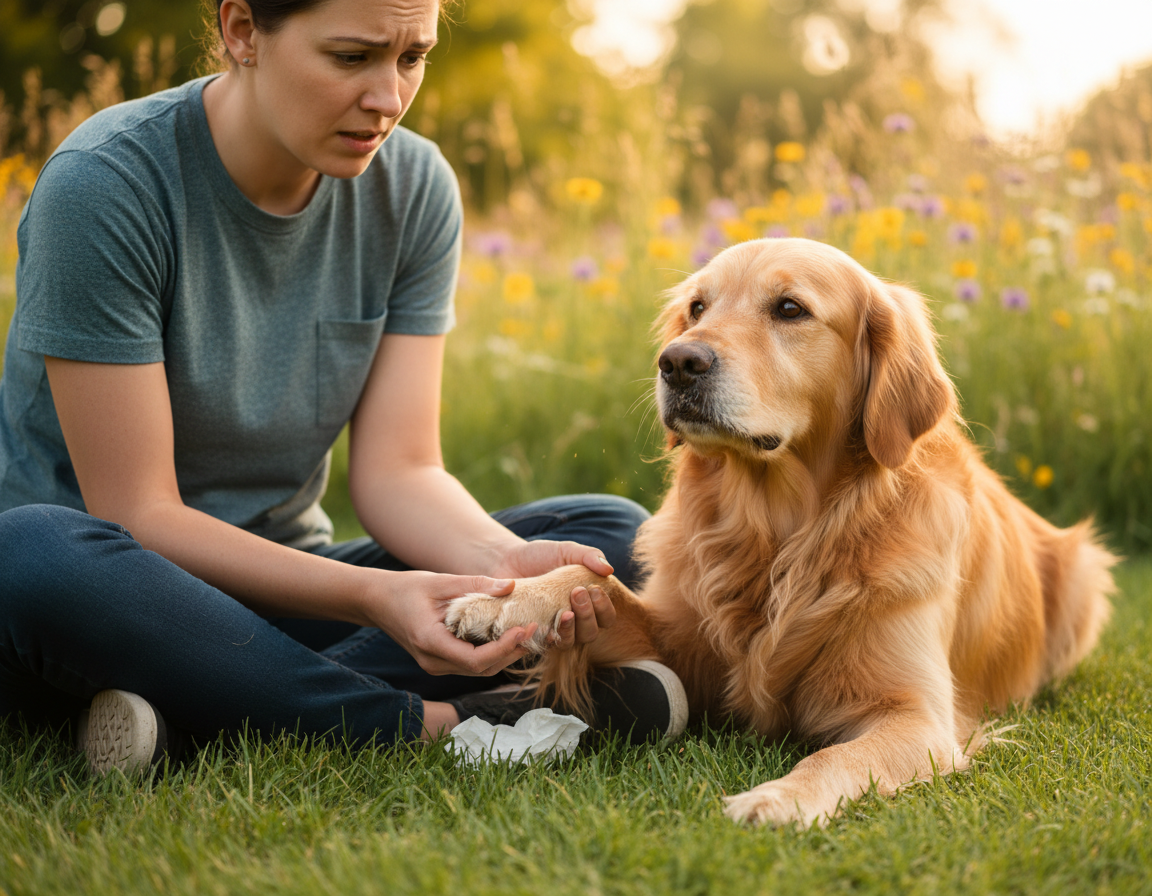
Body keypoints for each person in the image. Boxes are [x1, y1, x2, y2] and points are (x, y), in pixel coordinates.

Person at [0, 0, 685, 774]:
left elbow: (400, 471)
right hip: (110, 589)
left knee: (605, 534)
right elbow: (139, 511)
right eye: (352, 57)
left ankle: (216, 706)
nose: (388, 98)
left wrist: (497, 570)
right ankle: (444, 723)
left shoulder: (415, 187)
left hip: (289, 585)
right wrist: (369, 598)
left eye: (412, 58)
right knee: (27, 551)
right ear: (243, 31)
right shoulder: (106, 182)